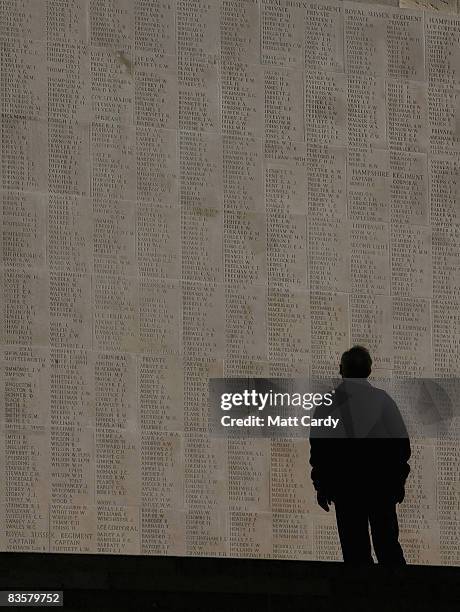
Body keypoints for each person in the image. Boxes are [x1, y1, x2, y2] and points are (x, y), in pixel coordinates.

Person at [309, 346, 411, 564]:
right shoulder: (383, 401)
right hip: (380, 486)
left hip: (346, 488)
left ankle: (361, 595)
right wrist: (398, 481)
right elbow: (401, 447)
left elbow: (319, 451)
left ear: (341, 370)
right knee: (388, 546)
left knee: (354, 550)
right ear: (369, 370)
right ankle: (398, 594)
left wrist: (321, 485)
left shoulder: (329, 404)